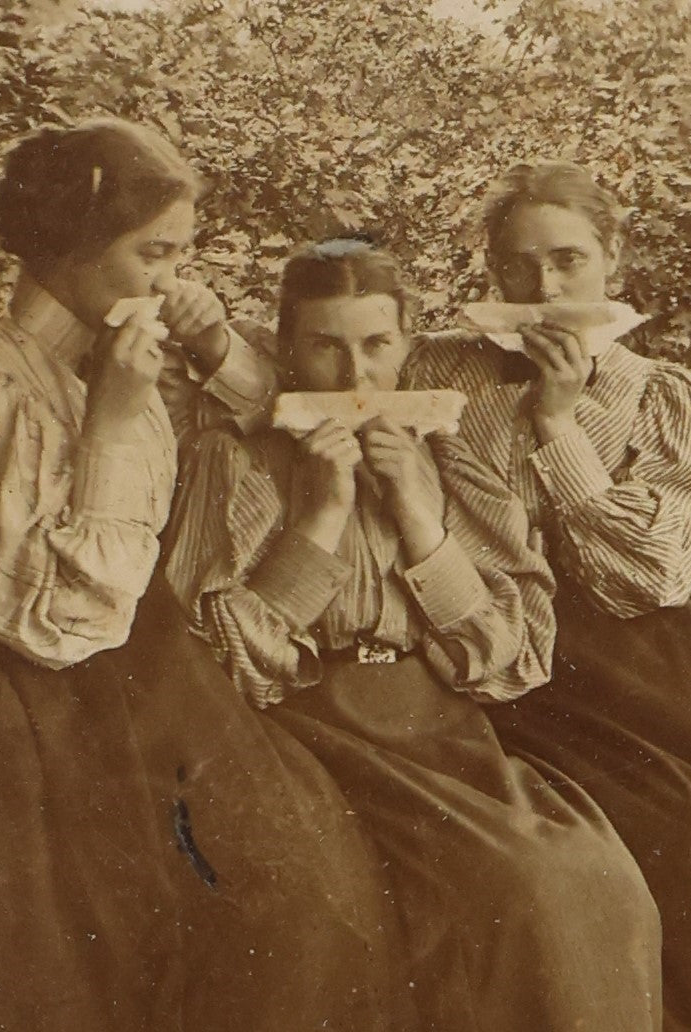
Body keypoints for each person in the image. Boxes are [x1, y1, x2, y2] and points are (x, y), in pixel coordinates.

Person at [0, 120, 414, 1032]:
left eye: (182, 254)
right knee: (282, 902)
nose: (172, 280)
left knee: (323, 868)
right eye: (153, 254)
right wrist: (118, 419)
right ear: (74, 250)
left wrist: (169, 371)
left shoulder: (86, 364)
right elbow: (64, 621)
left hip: (140, 667)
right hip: (64, 688)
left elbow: (272, 412)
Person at [403, 160, 691, 1032]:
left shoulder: (656, 392)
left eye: (568, 260)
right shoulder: (431, 369)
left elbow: (655, 574)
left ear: (612, 261)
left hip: (633, 657)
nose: (542, 287)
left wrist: (555, 422)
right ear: (491, 271)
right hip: (478, 638)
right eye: (518, 265)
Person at [165, 238, 664, 1032]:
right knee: (487, 891)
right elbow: (219, 657)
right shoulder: (236, 456)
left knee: (588, 882)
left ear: (407, 347)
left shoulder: (449, 453)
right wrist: (321, 516)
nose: (355, 378)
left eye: (376, 346)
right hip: (299, 733)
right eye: (325, 346)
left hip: (440, 728)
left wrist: (417, 517)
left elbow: (511, 653)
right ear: (285, 348)